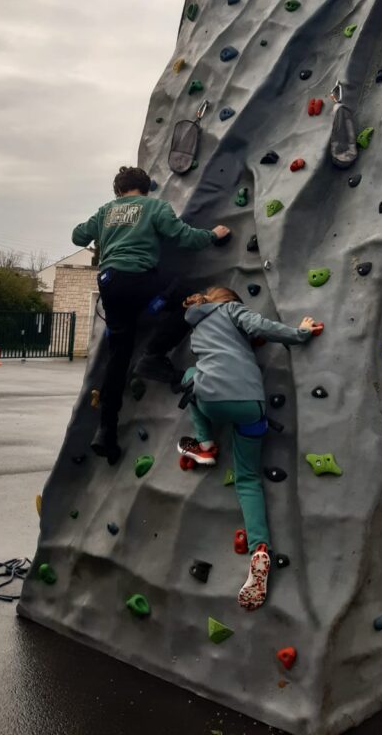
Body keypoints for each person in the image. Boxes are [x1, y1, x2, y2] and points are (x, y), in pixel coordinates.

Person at [72, 166, 230, 464]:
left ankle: (106, 432)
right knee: (190, 300)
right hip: (140, 279)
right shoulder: (155, 207)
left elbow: (77, 236)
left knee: (119, 356)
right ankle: (154, 355)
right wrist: (213, 235)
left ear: (119, 190)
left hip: (110, 284)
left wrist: (102, 229)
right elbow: (184, 237)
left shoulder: (106, 211)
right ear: (145, 189)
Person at [178, 286, 320, 611]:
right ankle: (259, 550)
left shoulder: (197, 325)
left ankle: (205, 444)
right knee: (248, 480)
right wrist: (300, 334)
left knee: (189, 375)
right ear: (230, 301)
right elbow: (261, 326)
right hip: (250, 407)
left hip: (211, 401)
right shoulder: (231, 311)